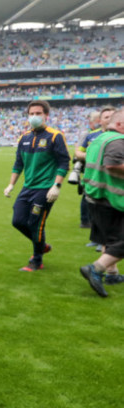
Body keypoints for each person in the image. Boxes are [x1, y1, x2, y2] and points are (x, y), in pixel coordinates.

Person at [3, 100, 70, 272]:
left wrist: (56, 186)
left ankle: (37, 259)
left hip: (45, 188)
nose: (34, 117)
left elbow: (64, 162)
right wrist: (11, 185)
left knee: (36, 223)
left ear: (46, 115)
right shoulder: (24, 138)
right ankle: (41, 245)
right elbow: (18, 164)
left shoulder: (55, 136)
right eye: (31, 114)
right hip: (28, 188)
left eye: (38, 113)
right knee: (17, 221)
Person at [80, 108, 124, 297]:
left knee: (110, 239)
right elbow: (112, 165)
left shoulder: (99, 138)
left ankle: (112, 274)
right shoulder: (116, 141)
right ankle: (96, 269)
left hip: (95, 196)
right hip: (109, 199)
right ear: (120, 125)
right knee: (120, 241)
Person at [75, 106, 116, 249]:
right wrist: (93, 155)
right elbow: (77, 153)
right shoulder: (92, 135)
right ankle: (97, 239)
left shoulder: (119, 137)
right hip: (92, 176)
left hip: (112, 178)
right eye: (106, 117)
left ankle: (105, 242)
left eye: (112, 116)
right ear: (101, 121)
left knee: (108, 209)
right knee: (94, 207)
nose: (109, 119)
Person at [71, 110, 100, 229]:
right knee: (87, 193)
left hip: (95, 168)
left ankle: (91, 219)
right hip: (88, 168)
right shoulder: (87, 135)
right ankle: (85, 220)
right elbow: (78, 151)